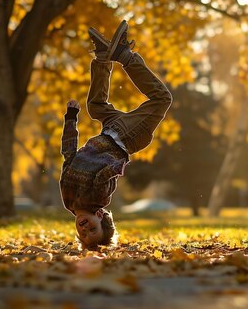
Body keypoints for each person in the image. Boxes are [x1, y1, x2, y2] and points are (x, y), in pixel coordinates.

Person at [59, 20, 173, 250]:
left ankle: (103, 57)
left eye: (83, 235)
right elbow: (103, 178)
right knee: (163, 99)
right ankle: (125, 56)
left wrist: (71, 118)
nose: (84, 229)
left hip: (110, 129)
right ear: (100, 216)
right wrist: (117, 168)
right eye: (93, 229)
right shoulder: (98, 200)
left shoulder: (68, 199)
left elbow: (68, 154)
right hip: (126, 138)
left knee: (95, 107)